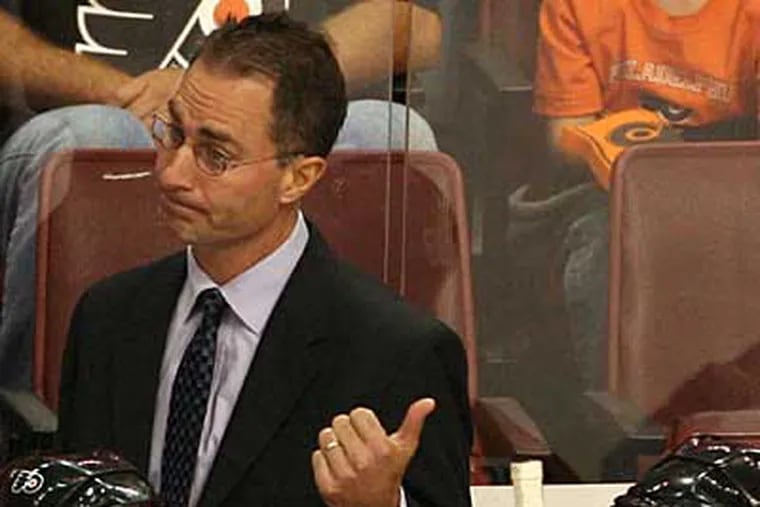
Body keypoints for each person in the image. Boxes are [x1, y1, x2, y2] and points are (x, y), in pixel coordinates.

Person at [57, 13, 472, 507]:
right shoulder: (107, 317)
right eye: (173, 133)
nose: (172, 174)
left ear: (299, 178)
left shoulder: (397, 354)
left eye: (216, 156)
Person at [0, 0, 443, 388]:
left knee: (391, 134)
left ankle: (380, 409)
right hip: (104, 108)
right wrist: (139, 96)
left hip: (280, 115)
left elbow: (417, 26)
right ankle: (34, 423)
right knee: (91, 134)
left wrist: (269, 88)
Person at [505, 0, 760, 480]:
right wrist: (644, 162)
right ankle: (622, 434)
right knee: (606, 250)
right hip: (602, 193)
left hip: (731, 192)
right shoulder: (579, 7)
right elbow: (565, 135)